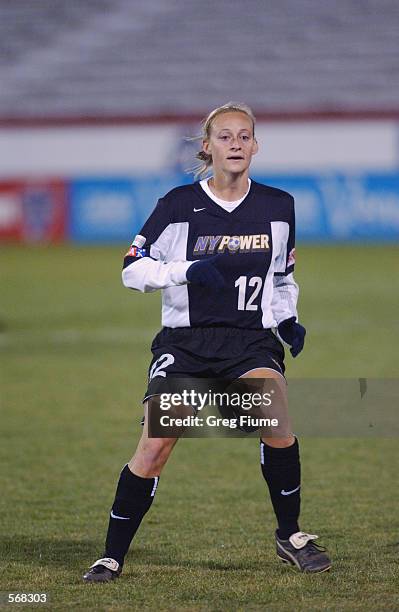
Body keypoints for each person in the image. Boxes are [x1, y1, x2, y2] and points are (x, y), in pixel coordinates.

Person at [83, 102, 331, 582]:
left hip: (249, 342)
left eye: (244, 136)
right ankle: (111, 555)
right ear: (207, 146)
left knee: (276, 417)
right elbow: (132, 268)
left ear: (255, 146)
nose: (235, 144)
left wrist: (288, 320)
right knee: (155, 447)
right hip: (186, 344)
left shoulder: (279, 205)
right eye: (224, 137)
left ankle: (290, 535)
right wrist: (186, 269)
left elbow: (283, 278)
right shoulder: (177, 204)